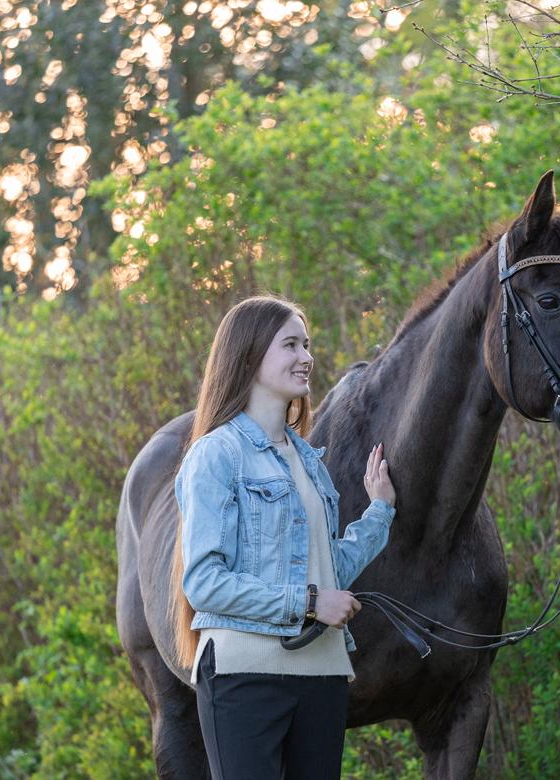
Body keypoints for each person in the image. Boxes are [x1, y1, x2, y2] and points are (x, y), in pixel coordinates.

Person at [170, 295, 396, 779]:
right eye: (290, 345)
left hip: (323, 675)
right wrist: (312, 603)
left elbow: (325, 567)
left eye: (307, 344)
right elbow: (205, 583)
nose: (306, 357)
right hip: (243, 677)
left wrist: (380, 511)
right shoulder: (217, 455)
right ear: (250, 356)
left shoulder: (309, 461)